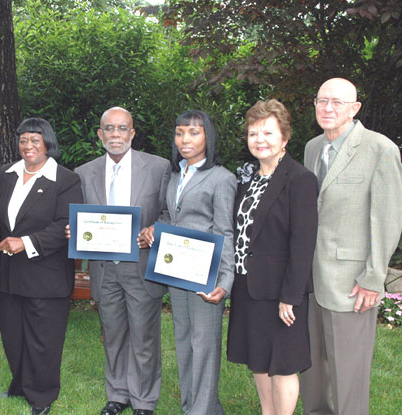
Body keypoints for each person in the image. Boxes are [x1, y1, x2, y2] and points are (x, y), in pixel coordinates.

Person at [299, 78, 402, 415]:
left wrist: (374, 278)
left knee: (348, 377)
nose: (328, 108)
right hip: (311, 280)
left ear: (355, 108)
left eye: (338, 103)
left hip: (352, 282)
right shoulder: (313, 147)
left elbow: (387, 218)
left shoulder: (380, 149)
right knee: (313, 371)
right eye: (322, 100)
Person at [73, 107, 171, 415]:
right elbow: (80, 219)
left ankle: (143, 401)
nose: (116, 135)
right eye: (109, 129)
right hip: (104, 269)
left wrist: (156, 228)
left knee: (143, 337)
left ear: (132, 133)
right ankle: (117, 395)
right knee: (113, 334)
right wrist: (74, 230)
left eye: (122, 128)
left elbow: (170, 211)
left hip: (141, 266)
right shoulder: (84, 172)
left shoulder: (158, 167)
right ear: (100, 135)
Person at [139, 110, 236, 415]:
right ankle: (192, 407)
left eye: (194, 132)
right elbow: (171, 215)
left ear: (208, 136)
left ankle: (203, 410)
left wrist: (225, 281)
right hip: (175, 271)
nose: (185, 139)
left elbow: (225, 231)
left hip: (205, 274)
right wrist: (156, 227)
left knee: (204, 346)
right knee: (184, 341)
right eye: (180, 132)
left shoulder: (222, 178)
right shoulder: (174, 174)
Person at [226, 99, 318, 415]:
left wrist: (290, 297)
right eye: (253, 133)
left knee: (283, 363)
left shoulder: (299, 179)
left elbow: (303, 243)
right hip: (248, 287)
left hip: (281, 293)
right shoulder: (248, 179)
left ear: (284, 138)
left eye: (268, 132)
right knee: (258, 359)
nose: (260, 140)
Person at [0, 118, 83, 415]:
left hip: (46, 271)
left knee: (43, 338)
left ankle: (42, 395)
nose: (28, 146)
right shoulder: (6, 174)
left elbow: (66, 225)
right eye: (23, 140)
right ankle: (19, 384)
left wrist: (26, 242)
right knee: (13, 333)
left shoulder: (66, 179)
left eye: (35, 140)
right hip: (10, 272)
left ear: (48, 141)